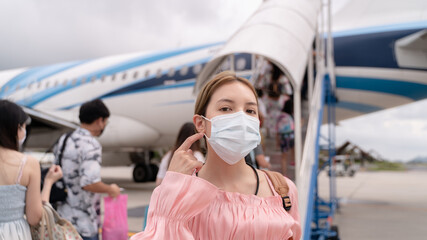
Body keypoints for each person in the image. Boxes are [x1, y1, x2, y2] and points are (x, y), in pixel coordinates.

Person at [131, 71, 300, 240]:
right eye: (226, 108)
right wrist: (173, 191)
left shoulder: (282, 189)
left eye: (250, 110)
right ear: (200, 123)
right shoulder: (175, 195)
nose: (241, 118)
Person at [54, 99, 120, 240]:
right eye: (105, 122)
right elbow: (89, 183)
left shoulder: (65, 139)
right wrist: (110, 189)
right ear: (99, 121)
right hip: (82, 224)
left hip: (60, 219)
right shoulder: (91, 144)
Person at [0, 100, 63, 239]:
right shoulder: (27, 163)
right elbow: (34, 218)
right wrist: (48, 182)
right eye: (23, 126)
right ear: (16, 128)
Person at [276, 98, 295, 175]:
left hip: (283, 137)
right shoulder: (291, 116)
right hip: (291, 136)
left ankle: (284, 174)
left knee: (283, 157)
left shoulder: (281, 116)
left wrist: (277, 141)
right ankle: (293, 161)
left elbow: (277, 129)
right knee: (293, 148)